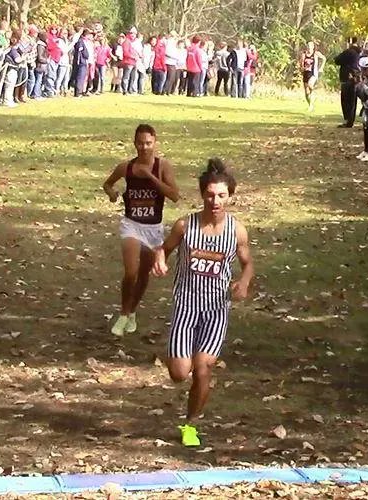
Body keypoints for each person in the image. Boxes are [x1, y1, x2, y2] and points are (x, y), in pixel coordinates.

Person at [152, 159, 254, 447]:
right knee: (179, 374)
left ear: (230, 196)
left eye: (221, 195)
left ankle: (191, 425)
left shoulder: (237, 231)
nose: (215, 201)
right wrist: (160, 261)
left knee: (203, 367)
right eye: (210, 195)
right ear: (202, 195)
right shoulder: (186, 226)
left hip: (216, 309)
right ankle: (180, 364)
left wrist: (243, 282)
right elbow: (164, 249)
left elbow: (247, 264)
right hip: (186, 305)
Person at [103, 124, 179, 337]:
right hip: (132, 225)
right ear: (134, 143)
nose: (144, 147)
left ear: (155, 143)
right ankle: (124, 313)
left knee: (143, 275)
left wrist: (151, 178)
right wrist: (112, 193)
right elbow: (107, 184)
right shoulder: (125, 167)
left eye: (148, 143)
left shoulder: (162, 166)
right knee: (131, 272)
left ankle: (133, 311)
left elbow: (174, 195)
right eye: (140, 143)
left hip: (153, 228)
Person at [334, 37, 360, 127]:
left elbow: (337, 60)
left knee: (346, 100)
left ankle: (348, 120)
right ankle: (350, 120)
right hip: (356, 77)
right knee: (353, 101)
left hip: (348, 77)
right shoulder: (359, 52)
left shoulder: (349, 52)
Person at [300, 41, 326, 111]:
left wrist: (321, 67)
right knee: (306, 92)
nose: (309, 47)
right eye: (308, 46)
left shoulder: (316, 54)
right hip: (306, 73)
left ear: (313, 47)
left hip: (313, 73)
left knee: (310, 85)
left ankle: (313, 95)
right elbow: (301, 63)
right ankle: (310, 105)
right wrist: (302, 67)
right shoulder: (304, 54)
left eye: (310, 46)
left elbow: (324, 58)